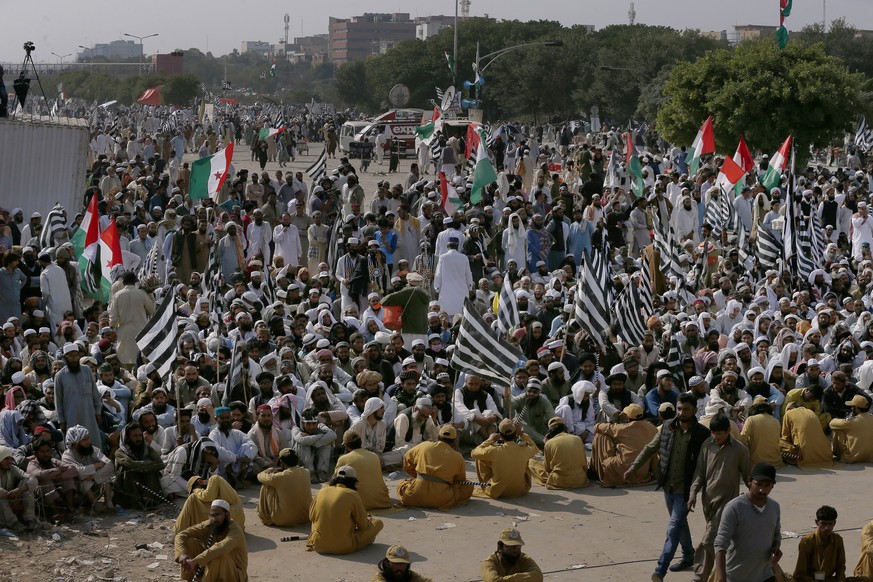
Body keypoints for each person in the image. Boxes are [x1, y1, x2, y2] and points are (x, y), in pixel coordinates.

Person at [626, 392, 711, 581]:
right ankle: (689, 556)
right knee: (680, 524)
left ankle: (659, 571)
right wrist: (634, 468)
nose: (681, 413)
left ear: (695, 410)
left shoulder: (702, 434)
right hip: (668, 487)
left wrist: (696, 492)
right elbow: (650, 448)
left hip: (685, 490)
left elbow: (706, 464)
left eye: (686, 409)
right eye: (679, 408)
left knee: (673, 529)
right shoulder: (667, 427)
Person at [687, 413, 751, 582]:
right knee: (719, 540)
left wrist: (756, 498)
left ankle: (700, 575)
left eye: (719, 433)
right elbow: (699, 473)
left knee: (709, 539)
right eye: (713, 433)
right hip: (708, 502)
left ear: (728, 431)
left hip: (727, 503)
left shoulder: (740, 450)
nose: (716, 437)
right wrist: (693, 493)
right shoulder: (707, 445)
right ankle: (720, 572)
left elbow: (748, 476)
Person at [714, 463, 782, 582]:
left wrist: (776, 547)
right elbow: (720, 544)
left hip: (765, 575)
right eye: (758, 484)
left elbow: (776, 534)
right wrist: (721, 578)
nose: (762, 489)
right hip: (737, 576)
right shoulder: (734, 508)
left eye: (767, 485)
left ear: (773, 486)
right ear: (750, 481)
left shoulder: (774, 507)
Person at [306, 465, 384, 555]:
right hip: (344, 547)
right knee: (378, 523)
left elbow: (311, 516)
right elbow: (364, 526)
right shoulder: (352, 494)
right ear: (353, 481)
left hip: (318, 545)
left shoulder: (322, 491)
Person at [397, 424, 473, 510]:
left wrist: (415, 476)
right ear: (454, 441)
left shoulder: (424, 445)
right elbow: (459, 481)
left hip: (414, 495)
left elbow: (407, 460)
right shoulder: (458, 457)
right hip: (441, 499)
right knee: (468, 487)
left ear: (439, 437)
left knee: (401, 484)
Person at [174, 499, 248, 582]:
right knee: (189, 542)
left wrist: (196, 560)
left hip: (233, 572)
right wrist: (182, 554)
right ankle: (194, 578)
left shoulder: (235, 530)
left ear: (227, 515)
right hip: (209, 565)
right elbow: (181, 535)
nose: (214, 518)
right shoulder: (210, 524)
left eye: (217, 515)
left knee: (218, 556)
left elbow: (221, 548)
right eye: (212, 515)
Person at [590, 403, 659, 488]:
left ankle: (596, 472)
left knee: (600, 436)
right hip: (643, 472)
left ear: (628, 417)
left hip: (623, 470)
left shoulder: (622, 428)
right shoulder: (651, 427)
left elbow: (597, 427)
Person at [471, 418, 539, 499]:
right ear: (515, 433)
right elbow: (535, 448)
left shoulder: (494, 450)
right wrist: (521, 433)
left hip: (496, 491)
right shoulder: (524, 449)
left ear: (500, 434)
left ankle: (487, 485)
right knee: (526, 459)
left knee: (480, 458)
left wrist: (489, 440)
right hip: (519, 490)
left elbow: (474, 453)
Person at [54, 343, 103, 449]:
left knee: (93, 443)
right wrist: (61, 421)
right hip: (71, 417)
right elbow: (58, 400)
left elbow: (95, 393)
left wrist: (98, 411)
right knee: (75, 446)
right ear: (65, 357)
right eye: (71, 356)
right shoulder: (60, 376)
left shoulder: (87, 370)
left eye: (76, 355)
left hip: (89, 415)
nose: (74, 358)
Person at [61, 425, 115, 511]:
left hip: (95, 482)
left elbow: (109, 465)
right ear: (75, 443)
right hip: (79, 491)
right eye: (84, 439)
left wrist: (93, 477)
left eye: (88, 438)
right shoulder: (67, 456)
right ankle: (96, 505)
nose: (88, 441)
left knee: (107, 478)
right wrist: (98, 465)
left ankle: (108, 503)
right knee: (85, 484)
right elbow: (80, 473)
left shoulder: (93, 450)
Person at [114, 421, 165, 510]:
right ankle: (134, 501)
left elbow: (160, 464)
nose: (139, 439)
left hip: (146, 485)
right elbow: (130, 464)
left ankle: (149, 499)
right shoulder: (120, 452)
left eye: (140, 435)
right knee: (127, 470)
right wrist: (147, 463)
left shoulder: (146, 448)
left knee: (150, 471)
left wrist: (141, 466)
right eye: (135, 436)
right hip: (128, 488)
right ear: (127, 438)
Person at [335, 431, 392, 511]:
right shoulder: (374, 456)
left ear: (346, 446)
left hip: (359, 504)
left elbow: (335, 481)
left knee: (327, 489)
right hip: (381, 501)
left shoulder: (343, 459)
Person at [108, 271, 155, 367]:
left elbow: (113, 317)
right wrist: (150, 294)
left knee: (126, 361)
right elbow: (151, 309)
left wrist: (112, 329)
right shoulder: (141, 294)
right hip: (141, 331)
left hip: (124, 333)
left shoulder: (117, 295)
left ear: (123, 282)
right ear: (135, 281)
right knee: (141, 360)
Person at [528, 416, 588, 490]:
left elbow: (547, 469)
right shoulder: (578, 439)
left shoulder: (549, 443)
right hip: (580, 480)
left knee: (531, 462)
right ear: (564, 428)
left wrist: (546, 444)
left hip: (559, 481)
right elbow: (584, 464)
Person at [256, 448, 312, 527]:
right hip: (306, 516)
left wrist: (270, 469)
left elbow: (260, 476)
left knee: (267, 485)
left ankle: (266, 516)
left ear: (282, 462)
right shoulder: (306, 472)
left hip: (284, 520)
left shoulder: (280, 477)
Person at [174, 474, 245, 534]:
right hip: (236, 522)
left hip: (232, 519)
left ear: (200, 481)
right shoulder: (217, 489)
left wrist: (196, 490)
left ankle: (178, 531)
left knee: (192, 499)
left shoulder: (214, 478)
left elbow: (206, 497)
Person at [793, 505, 845, 582]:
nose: (827, 528)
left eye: (830, 524)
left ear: (834, 523)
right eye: (823, 524)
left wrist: (840, 580)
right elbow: (799, 574)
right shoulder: (807, 542)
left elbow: (841, 566)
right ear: (817, 522)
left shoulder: (838, 540)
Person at [780, 402, 833, 469]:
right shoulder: (810, 411)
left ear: (789, 408)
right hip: (824, 454)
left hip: (802, 455)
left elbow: (785, 436)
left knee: (779, 442)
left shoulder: (788, 413)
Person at [0, 445, 38, 531]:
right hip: (3, 507)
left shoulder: (12, 469)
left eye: (10, 458)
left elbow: (33, 479)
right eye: (6, 459)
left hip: (13, 503)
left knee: (25, 482)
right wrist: (11, 496)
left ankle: (28, 518)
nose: (9, 461)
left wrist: (20, 490)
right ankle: (13, 523)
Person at [829, 394, 873, 464]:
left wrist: (844, 420)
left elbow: (832, 423)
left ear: (857, 409)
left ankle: (839, 454)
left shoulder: (852, 421)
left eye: (853, 407)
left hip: (852, 457)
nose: (851, 409)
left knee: (837, 429)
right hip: (870, 457)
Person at [740, 396, 782, 467]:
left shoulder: (751, 419)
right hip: (775, 461)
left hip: (756, 462)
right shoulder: (776, 421)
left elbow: (742, 439)